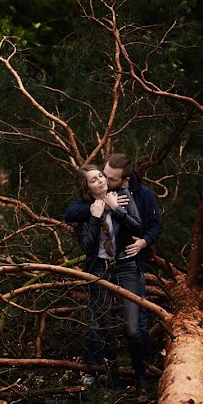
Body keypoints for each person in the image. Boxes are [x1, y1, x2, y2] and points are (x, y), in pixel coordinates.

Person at [72, 164, 147, 390]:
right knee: (104, 327)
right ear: (86, 187)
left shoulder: (122, 196)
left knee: (132, 329)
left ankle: (141, 377)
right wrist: (95, 218)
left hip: (125, 267)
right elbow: (87, 248)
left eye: (101, 176)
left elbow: (138, 227)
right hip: (99, 270)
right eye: (93, 180)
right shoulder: (85, 210)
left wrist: (117, 210)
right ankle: (113, 379)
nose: (101, 181)